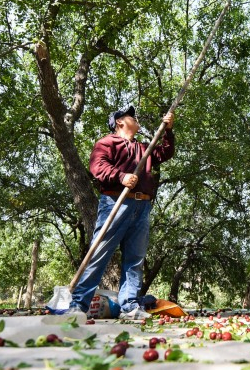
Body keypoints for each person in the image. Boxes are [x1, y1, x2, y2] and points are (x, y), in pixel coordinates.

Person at [67, 104, 175, 319]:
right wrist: (121, 176)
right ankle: (78, 305)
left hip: (142, 205)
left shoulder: (144, 148)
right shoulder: (107, 143)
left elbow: (165, 152)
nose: (136, 118)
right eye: (131, 116)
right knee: (100, 252)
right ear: (119, 122)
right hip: (116, 202)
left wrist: (169, 131)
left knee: (135, 258)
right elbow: (97, 167)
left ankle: (129, 307)